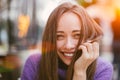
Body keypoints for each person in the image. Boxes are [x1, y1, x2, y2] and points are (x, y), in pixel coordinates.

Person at [21, 2, 113, 80]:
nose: (68, 45)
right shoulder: (34, 63)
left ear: (89, 37)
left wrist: (80, 72)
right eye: (59, 36)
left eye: (77, 35)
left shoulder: (102, 69)